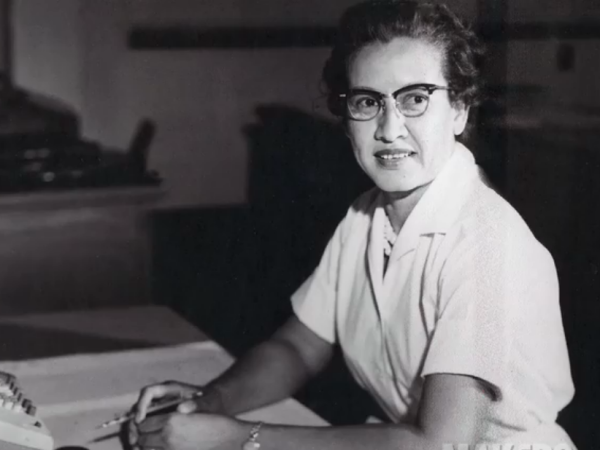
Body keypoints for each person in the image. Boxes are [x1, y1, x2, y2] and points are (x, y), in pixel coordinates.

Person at [129, 1, 577, 449]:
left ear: (459, 110)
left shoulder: (488, 246)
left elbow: (439, 445)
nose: (389, 128)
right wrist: (212, 402)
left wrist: (238, 438)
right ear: (346, 122)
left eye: (415, 99)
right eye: (367, 101)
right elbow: (299, 348)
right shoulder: (366, 216)